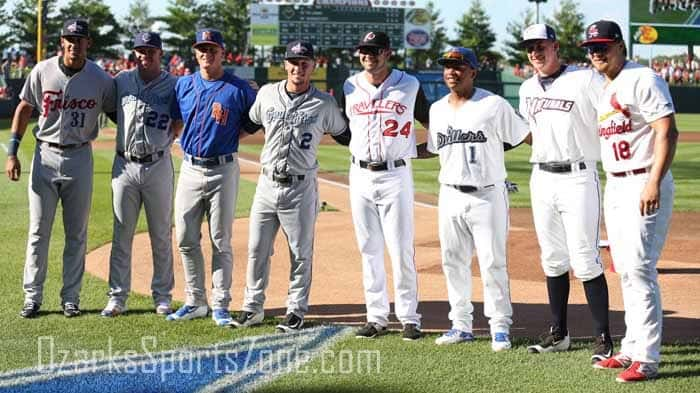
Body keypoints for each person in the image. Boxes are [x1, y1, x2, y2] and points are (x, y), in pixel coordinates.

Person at [582, 20, 678, 383]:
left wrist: (653, 182)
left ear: (621, 45)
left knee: (639, 267)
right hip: (617, 185)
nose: (596, 53)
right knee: (624, 268)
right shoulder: (605, 87)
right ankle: (631, 347)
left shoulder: (643, 78)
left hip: (642, 179)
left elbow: (667, 130)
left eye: (603, 46)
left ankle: (648, 357)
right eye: (591, 48)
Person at [416, 47, 530, 351]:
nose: (452, 71)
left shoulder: (493, 105)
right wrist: (399, 152)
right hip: (450, 194)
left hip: (488, 195)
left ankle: (500, 327)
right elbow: (435, 148)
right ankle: (461, 325)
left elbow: (521, 135)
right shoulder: (438, 109)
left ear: (473, 71)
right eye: (447, 66)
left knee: (493, 261)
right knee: (452, 262)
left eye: (459, 66)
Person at [231, 40, 348, 332]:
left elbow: (345, 135)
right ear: (285, 64)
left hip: (300, 187)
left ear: (312, 66)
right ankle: (252, 307)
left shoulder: (324, 103)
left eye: (304, 62)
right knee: (257, 248)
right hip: (266, 183)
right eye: (293, 62)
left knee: (300, 252)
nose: (299, 67)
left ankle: (296, 309)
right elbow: (248, 123)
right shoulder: (268, 95)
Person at [5, 18, 116, 318]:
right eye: (69, 39)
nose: (74, 44)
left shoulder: (101, 79)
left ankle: (71, 297)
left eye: (79, 39)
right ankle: (32, 297)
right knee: (39, 231)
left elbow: (118, 112)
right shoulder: (42, 70)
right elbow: (24, 108)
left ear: (88, 43)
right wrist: (12, 152)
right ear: (61, 42)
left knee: (76, 234)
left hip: (80, 157)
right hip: (45, 155)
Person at [518, 23, 613, 361]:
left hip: (578, 176)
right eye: (530, 47)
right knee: (552, 257)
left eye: (541, 45)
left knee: (585, 258)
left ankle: (603, 337)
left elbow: (612, 111)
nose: (534, 52)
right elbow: (529, 132)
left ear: (555, 46)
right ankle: (558, 333)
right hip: (541, 178)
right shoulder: (527, 87)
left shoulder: (585, 79)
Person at [165, 28, 258, 326]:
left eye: (212, 48)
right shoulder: (183, 85)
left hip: (223, 168)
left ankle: (220, 304)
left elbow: (252, 124)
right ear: (195, 53)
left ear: (222, 53)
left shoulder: (239, 89)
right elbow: (176, 120)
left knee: (221, 239)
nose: (207, 53)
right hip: (191, 168)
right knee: (185, 237)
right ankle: (195, 301)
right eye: (202, 49)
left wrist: (230, 137)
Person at [341, 31, 429, 341]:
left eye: (375, 50)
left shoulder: (409, 84)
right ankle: (376, 317)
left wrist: (416, 151)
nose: (369, 55)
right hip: (360, 175)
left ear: (388, 53)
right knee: (369, 249)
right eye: (364, 49)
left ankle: (409, 318)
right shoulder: (349, 86)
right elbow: (342, 129)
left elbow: (433, 123)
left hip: (395, 176)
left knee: (401, 248)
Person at [101, 32, 181, 318]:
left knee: (161, 234)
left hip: (158, 165)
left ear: (161, 54)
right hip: (124, 165)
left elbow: (180, 118)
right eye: (141, 51)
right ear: (135, 54)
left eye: (151, 51)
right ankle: (117, 297)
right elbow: (111, 110)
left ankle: (162, 296)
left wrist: (169, 137)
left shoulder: (174, 84)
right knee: (122, 233)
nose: (145, 56)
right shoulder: (122, 80)